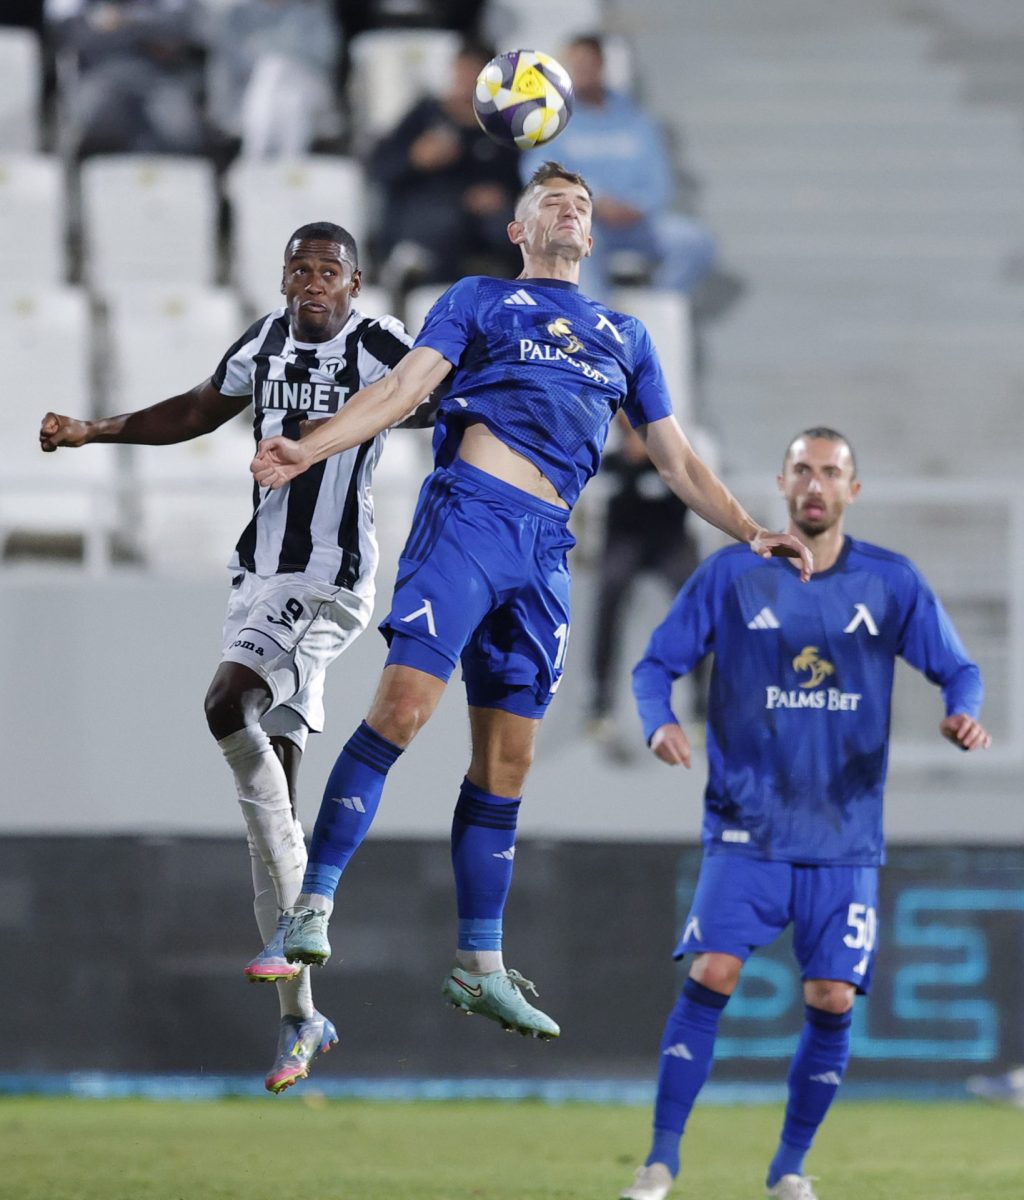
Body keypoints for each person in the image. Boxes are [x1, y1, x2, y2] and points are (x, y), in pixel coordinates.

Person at [250, 161, 813, 1042]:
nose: (571, 211)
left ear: (592, 232)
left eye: (581, 205)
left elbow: (676, 461)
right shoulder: (479, 299)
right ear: (520, 230)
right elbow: (402, 389)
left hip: (548, 552)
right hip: (468, 521)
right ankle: (311, 907)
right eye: (553, 202)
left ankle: (479, 967)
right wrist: (308, 447)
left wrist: (750, 530)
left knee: (509, 764)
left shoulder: (625, 333)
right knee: (402, 710)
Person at [38, 222, 419, 1093]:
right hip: (260, 576)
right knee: (270, 818)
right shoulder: (265, 340)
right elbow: (195, 410)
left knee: (224, 703)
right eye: (299, 268)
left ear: (355, 283)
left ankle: (302, 924)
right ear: (282, 278)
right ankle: (301, 1017)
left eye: (328, 270)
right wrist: (93, 431)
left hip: (326, 577)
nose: (312, 281)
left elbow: (428, 393)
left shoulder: (378, 343)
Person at [622, 427, 992, 1200]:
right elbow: (656, 663)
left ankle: (789, 1168)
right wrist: (658, 722)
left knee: (831, 997)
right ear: (782, 484)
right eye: (802, 470)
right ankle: (659, 1163)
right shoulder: (732, 574)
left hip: (843, 835)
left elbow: (959, 668)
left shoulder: (890, 581)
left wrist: (962, 712)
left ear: (853, 490)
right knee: (714, 971)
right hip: (745, 827)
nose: (815, 484)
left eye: (830, 472)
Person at [521, 34, 715, 305]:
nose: (581, 71)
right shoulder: (553, 122)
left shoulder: (636, 119)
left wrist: (636, 206)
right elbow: (538, 175)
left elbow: (659, 180)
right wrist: (597, 201)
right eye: (575, 65)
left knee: (694, 242)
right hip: (582, 220)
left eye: (587, 63)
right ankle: (593, 319)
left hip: (636, 221)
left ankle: (654, 308)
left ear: (601, 64)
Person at [587, 411, 703, 762]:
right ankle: (601, 704)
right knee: (609, 593)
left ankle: (702, 704)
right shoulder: (609, 463)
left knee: (697, 602)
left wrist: (657, 459)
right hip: (626, 544)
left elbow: (697, 495)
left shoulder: (677, 457)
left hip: (671, 544)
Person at [367, 37, 522, 289]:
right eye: (461, 71)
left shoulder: (504, 127)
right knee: (441, 222)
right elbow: (380, 169)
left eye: (474, 73)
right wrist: (415, 158)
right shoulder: (425, 114)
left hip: (481, 220)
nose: (465, 80)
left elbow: (519, 178)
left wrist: (503, 195)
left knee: (516, 227)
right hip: (426, 211)